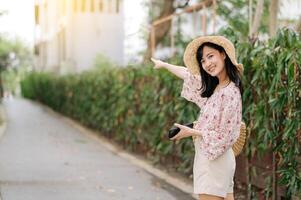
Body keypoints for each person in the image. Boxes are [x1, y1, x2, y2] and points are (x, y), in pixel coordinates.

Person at [151, 36, 243, 200]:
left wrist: (193, 132)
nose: (207, 63)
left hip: (213, 160)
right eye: (203, 60)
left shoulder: (229, 93)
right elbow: (188, 74)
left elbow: (225, 134)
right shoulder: (217, 89)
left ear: (223, 54)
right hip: (218, 159)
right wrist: (165, 65)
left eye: (210, 56)